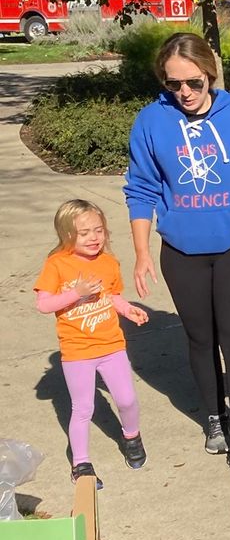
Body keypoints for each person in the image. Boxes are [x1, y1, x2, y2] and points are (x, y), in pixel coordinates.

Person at [124, 32, 230, 482]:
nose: (184, 94)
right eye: (173, 85)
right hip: (182, 250)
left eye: (193, 83)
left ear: (209, 73)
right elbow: (141, 190)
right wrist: (141, 253)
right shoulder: (151, 122)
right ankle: (214, 416)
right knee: (199, 338)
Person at [34, 200, 149, 481]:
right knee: (83, 408)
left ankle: (131, 436)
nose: (94, 238)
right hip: (77, 351)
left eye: (99, 230)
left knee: (127, 400)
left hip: (111, 346)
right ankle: (81, 463)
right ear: (66, 234)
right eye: (84, 233)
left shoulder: (108, 263)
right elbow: (44, 304)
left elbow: (112, 296)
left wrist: (128, 310)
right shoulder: (57, 264)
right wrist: (76, 293)